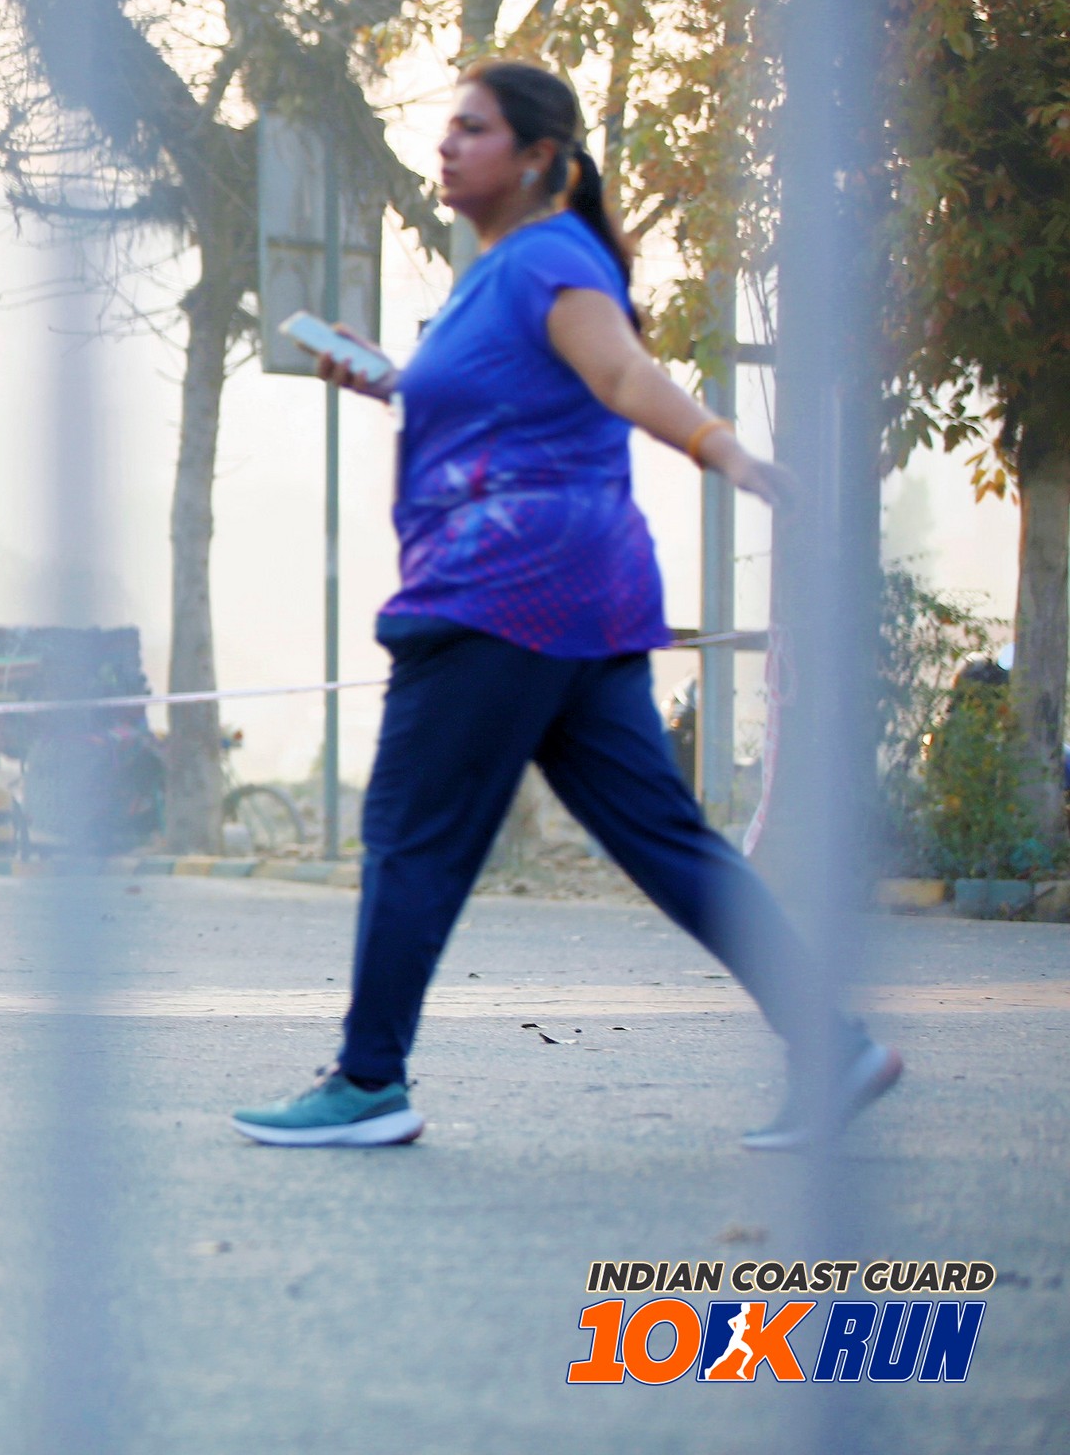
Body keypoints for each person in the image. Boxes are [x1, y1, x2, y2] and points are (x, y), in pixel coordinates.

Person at [232, 61, 900, 1153]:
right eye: (448, 128)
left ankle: (368, 1081)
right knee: (663, 835)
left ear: (539, 156)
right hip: (580, 602)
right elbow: (511, 400)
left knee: (412, 836)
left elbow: (624, 374)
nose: (447, 146)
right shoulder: (498, 276)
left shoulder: (547, 256)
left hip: (499, 594)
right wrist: (396, 382)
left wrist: (722, 447)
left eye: (473, 129)